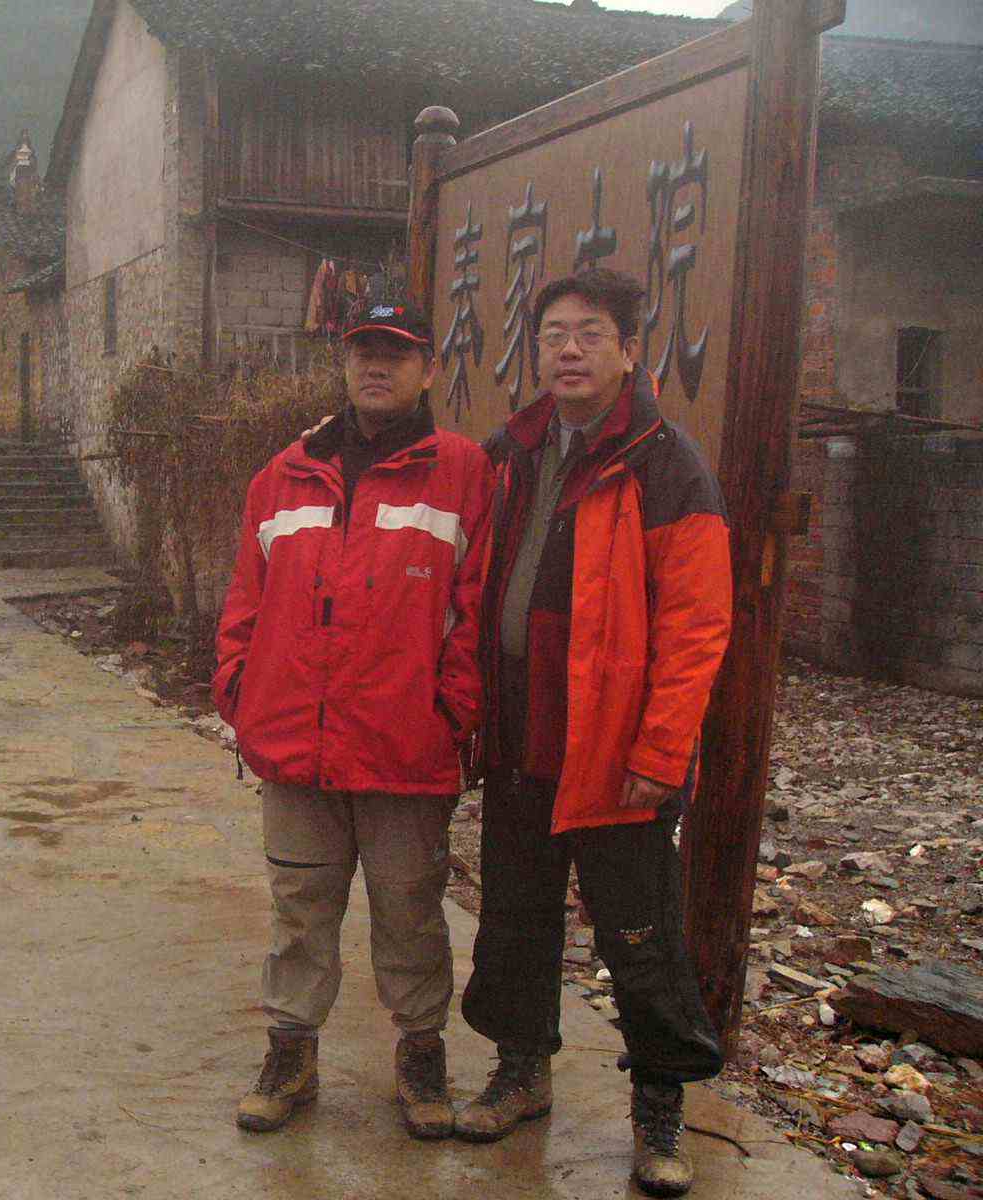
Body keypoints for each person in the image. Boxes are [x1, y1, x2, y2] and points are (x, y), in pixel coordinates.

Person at [452, 268, 731, 1198]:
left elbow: (698, 627)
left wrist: (661, 752)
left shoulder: (667, 464)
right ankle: (520, 1071)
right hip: (521, 743)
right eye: (554, 334)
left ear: (629, 351)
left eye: (591, 334)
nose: (569, 350)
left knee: (640, 940)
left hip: (617, 759)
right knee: (514, 922)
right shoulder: (511, 452)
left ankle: (659, 1111)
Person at [213, 299, 492, 1140]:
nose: (377, 366)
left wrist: (451, 715)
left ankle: (421, 1055)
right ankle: (290, 1056)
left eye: (396, 353)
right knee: (299, 909)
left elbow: (476, 613)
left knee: (410, 911)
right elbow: (245, 601)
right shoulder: (283, 475)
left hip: (406, 747)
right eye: (364, 350)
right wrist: (240, 694)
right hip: (295, 744)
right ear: (343, 362)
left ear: (429, 370)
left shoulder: (464, 473)